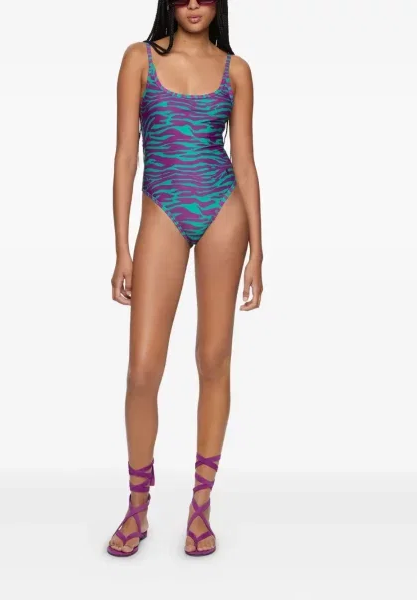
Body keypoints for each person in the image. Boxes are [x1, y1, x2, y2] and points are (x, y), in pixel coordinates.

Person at [107, 0, 263, 557]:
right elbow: (126, 155)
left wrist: (259, 251)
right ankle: (137, 505)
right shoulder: (139, 59)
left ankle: (201, 504)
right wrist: (121, 249)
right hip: (162, 208)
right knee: (143, 368)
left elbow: (245, 160)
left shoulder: (237, 70)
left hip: (224, 208)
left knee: (214, 357)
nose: (194, 4)